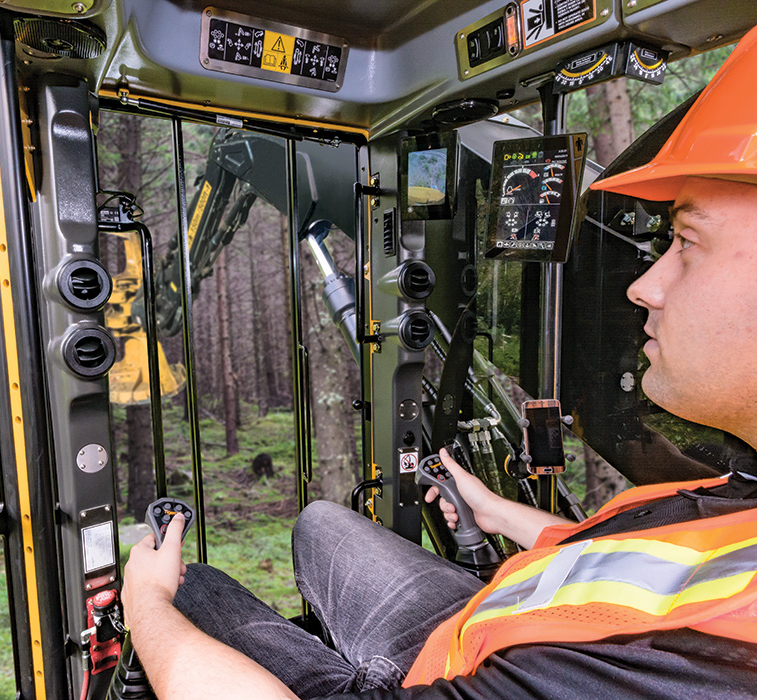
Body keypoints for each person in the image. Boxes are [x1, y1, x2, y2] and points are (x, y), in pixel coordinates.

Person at [122, 26, 757, 700]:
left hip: (452, 674)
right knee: (321, 525)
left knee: (189, 590)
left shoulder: (696, 668)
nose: (644, 286)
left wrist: (147, 608)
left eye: (686, 241)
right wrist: (498, 512)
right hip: (492, 622)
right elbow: (649, 574)